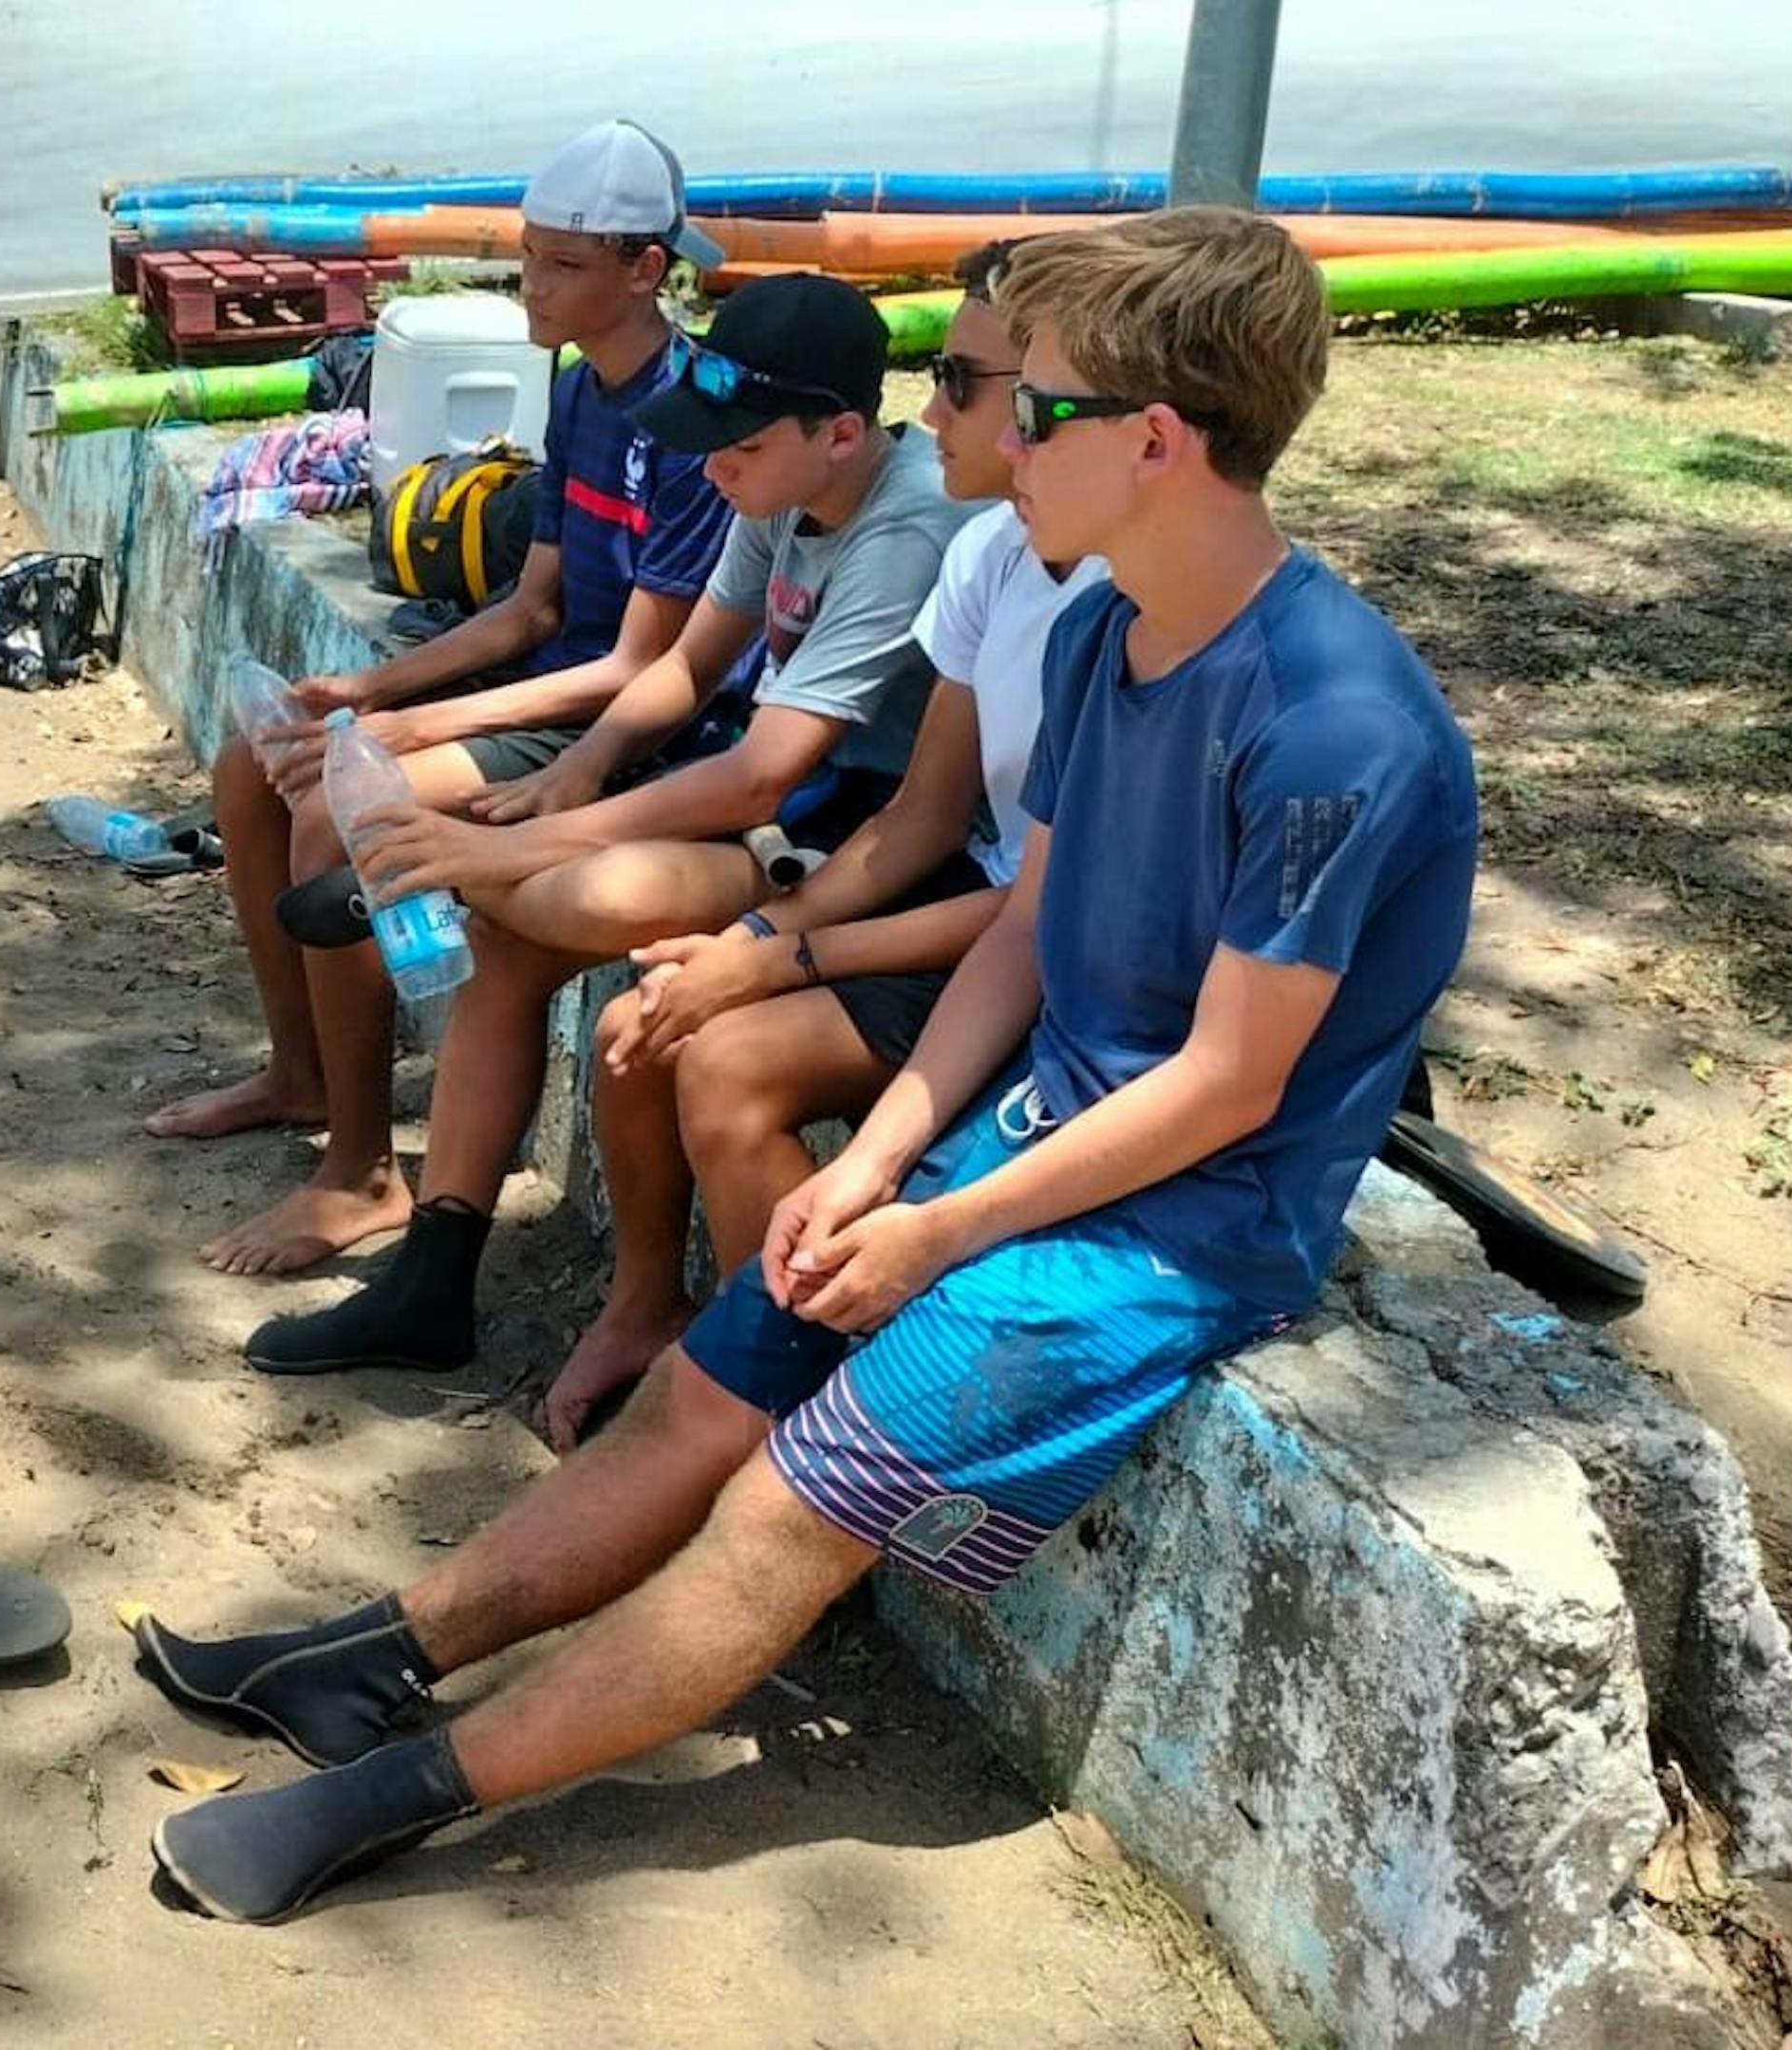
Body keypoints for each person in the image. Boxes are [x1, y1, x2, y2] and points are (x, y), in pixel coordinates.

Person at [124, 208, 1483, 1925]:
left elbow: (1224, 1089)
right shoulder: (1093, 633)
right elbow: (1022, 939)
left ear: (1156, 440)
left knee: (777, 1507)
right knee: (709, 1383)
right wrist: (875, 1162)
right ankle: (373, 1654)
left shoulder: (1333, 726)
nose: (978, 428)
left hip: (1177, 1224)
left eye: (1029, 402)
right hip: (1026, 1131)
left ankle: (391, 1799)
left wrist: (933, 1230)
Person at [240, 271, 976, 1378]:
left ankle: (439, 888)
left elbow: (760, 778)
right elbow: (683, 666)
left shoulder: (911, 521)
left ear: (836, 434)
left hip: (871, 844)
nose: (716, 464)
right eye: (710, 442)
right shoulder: (772, 491)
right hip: (793, 812)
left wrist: (503, 844)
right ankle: (436, 1276)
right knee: (516, 933)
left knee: (570, 901)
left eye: (740, 445)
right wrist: (572, 778)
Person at [542, 238, 1108, 1446]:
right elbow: (920, 821)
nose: (935, 409)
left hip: (1065, 967)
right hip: (979, 908)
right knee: (639, 1030)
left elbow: (1044, 916)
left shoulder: (1117, 606)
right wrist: (758, 936)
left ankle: (778, 1423)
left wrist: (772, 959)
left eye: (963, 381)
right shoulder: (989, 555)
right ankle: (654, 1317)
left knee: (722, 1057)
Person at [156, 118, 733, 1283]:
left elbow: (640, 670)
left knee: (340, 812)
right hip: (547, 695)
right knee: (253, 761)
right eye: (528, 256)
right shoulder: (578, 389)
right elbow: (529, 609)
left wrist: (407, 728)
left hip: (626, 737)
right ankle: (299, 1071)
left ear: (645, 270)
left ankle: (362, 1172)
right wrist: (359, 687)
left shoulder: (690, 418)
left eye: (565, 264)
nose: (534, 287)